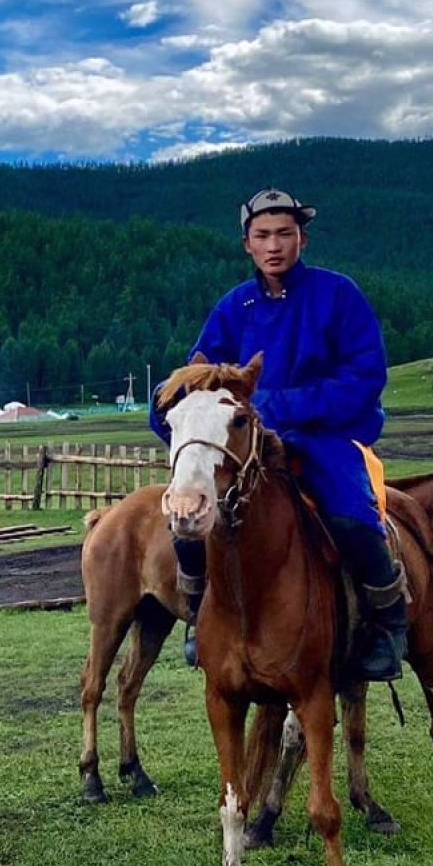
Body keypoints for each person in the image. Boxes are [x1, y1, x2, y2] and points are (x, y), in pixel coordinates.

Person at [151, 187, 409, 680]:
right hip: (247, 446)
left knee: (353, 518)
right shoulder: (234, 306)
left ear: (302, 240)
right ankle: (201, 615)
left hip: (324, 437)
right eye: (263, 235)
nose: (274, 246)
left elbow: (364, 379)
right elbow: (202, 371)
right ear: (247, 244)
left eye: (284, 235)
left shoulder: (339, 295)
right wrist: (174, 403)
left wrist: (277, 405)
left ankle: (388, 623)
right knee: (187, 520)